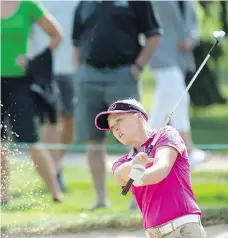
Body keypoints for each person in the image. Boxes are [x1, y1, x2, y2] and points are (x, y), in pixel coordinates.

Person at [72, 0, 162, 210]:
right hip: (88, 76)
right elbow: (76, 41)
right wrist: (79, 71)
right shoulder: (84, 3)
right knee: (92, 139)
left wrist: (138, 66)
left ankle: (138, 197)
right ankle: (101, 200)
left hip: (123, 74)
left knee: (134, 138)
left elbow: (154, 35)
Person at [94, 98, 207, 238]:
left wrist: (140, 175)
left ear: (139, 117)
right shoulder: (123, 161)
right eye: (112, 127)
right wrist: (134, 166)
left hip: (181, 231)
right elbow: (120, 175)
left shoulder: (166, 134)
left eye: (119, 120)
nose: (116, 128)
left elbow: (162, 168)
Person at [1, 0, 63, 205]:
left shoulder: (28, 5)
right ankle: (2, 197)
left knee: (30, 138)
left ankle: (55, 191)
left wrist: (36, 61)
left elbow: (56, 35)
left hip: (20, 82)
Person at [148, 0, 208, 167]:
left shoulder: (190, 2)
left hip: (181, 57)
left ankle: (144, 146)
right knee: (180, 99)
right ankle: (188, 149)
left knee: (161, 107)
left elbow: (194, 23)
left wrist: (191, 39)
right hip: (161, 54)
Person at [29, 0, 79, 192]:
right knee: (52, 121)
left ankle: (54, 164)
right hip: (44, 70)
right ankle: (54, 173)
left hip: (72, 69)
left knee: (70, 123)